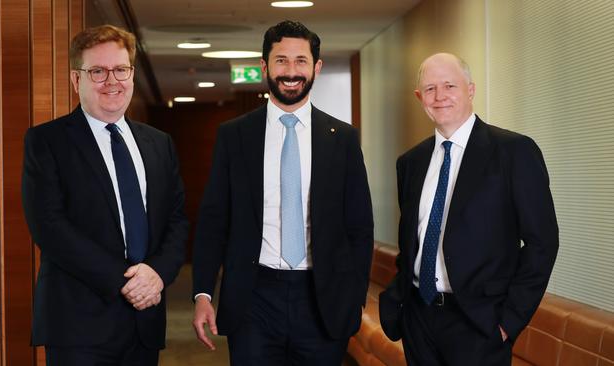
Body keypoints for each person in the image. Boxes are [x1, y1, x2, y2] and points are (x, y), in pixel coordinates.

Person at [191, 20, 374, 365]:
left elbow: (359, 226)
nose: (291, 71)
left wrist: (355, 296)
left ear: (316, 67)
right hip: (253, 297)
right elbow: (214, 220)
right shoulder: (235, 135)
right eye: (281, 60)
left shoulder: (343, 139)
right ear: (264, 66)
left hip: (322, 298)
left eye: (301, 61)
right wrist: (202, 293)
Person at [22, 24, 188, 365]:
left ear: (132, 74)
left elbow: (176, 220)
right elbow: (49, 227)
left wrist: (157, 275)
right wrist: (126, 282)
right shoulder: (47, 142)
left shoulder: (159, 143)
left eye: (120, 69)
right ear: (76, 79)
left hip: (145, 319)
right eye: (97, 71)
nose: (112, 81)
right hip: (78, 324)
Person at [379, 53, 558, 365]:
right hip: (418, 318)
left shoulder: (514, 152)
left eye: (450, 85)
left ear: (471, 90)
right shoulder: (411, 162)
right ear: (419, 97)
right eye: (430, 89)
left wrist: (508, 322)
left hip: (480, 324)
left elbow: (542, 243)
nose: (440, 96)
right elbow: (413, 242)